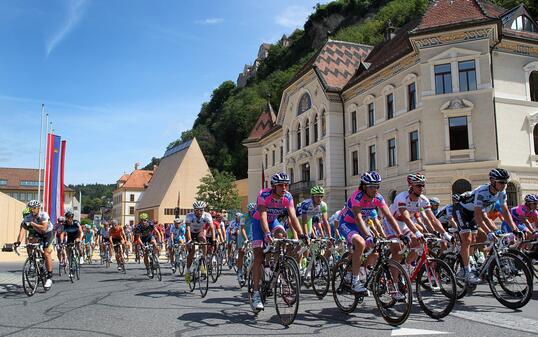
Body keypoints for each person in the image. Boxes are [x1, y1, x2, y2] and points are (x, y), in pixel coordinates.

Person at [338, 171, 404, 294]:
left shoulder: (378, 198)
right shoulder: (356, 197)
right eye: (372, 186)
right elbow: (357, 218)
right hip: (347, 223)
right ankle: (355, 281)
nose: (375, 189)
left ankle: (363, 272)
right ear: (364, 186)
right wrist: (368, 236)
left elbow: (389, 216)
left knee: (376, 249)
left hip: (360, 225)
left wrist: (400, 234)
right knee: (361, 243)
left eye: (377, 186)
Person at [453, 168, 520, 284]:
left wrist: (515, 230)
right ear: (492, 181)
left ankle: (472, 260)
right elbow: (478, 217)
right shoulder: (482, 192)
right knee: (467, 239)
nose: (504, 185)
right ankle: (467, 270)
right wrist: (489, 232)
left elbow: (505, 212)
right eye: (501, 182)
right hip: (462, 210)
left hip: (478, 211)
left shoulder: (502, 192)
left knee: (479, 237)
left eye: (505, 182)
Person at [251, 172, 305, 311]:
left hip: (273, 221)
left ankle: (275, 265)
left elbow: (293, 217)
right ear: (274, 186)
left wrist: (301, 234)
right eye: (281, 185)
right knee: (258, 255)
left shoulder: (287, 196)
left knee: (282, 236)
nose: (284, 187)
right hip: (259, 223)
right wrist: (267, 233)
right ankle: (256, 293)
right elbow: (263, 216)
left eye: (286, 184)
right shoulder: (264, 194)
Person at [15, 200, 54, 289]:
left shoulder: (43, 215)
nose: (32, 210)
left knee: (46, 252)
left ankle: (49, 277)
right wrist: (18, 242)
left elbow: (44, 228)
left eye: (34, 208)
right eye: (30, 208)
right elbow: (22, 230)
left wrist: (32, 223)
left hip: (48, 233)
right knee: (29, 243)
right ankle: (33, 261)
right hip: (38, 233)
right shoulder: (27, 217)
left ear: (38, 208)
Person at [184, 201, 214, 285]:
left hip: (199, 232)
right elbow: (187, 229)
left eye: (201, 210)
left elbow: (212, 227)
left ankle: (203, 261)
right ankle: (188, 270)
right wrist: (189, 240)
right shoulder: (189, 215)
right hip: (190, 233)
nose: (199, 212)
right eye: (197, 210)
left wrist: (213, 239)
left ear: (203, 210)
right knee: (192, 251)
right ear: (194, 210)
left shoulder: (207, 215)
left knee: (203, 240)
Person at [236, 203, 254, 283]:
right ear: (248, 211)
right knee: (241, 253)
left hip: (253, 237)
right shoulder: (244, 216)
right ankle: (239, 271)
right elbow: (242, 228)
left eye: (254, 211)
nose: (252, 213)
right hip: (243, 237)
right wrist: (246, 239)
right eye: (251, 212)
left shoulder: (257, 216)